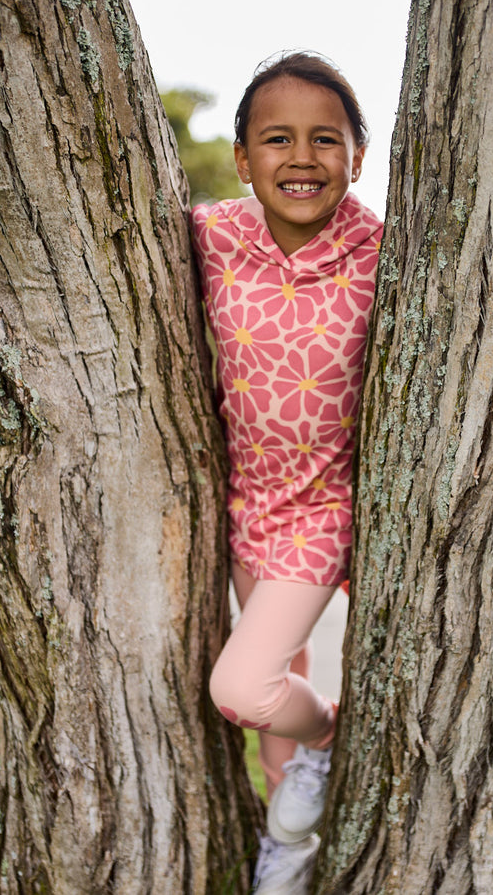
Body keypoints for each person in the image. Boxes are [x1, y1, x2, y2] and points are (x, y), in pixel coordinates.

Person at [192, 52, 382, 895]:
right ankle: (288, 849)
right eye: (276, 139)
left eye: (324, 140)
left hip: (321, 509)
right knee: (284, 681)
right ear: (242, 159)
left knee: (244, 687)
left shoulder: (383, 253)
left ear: (356, 157)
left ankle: (332, 738)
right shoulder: (212, 234)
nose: (300, 158)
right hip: (241, 503)